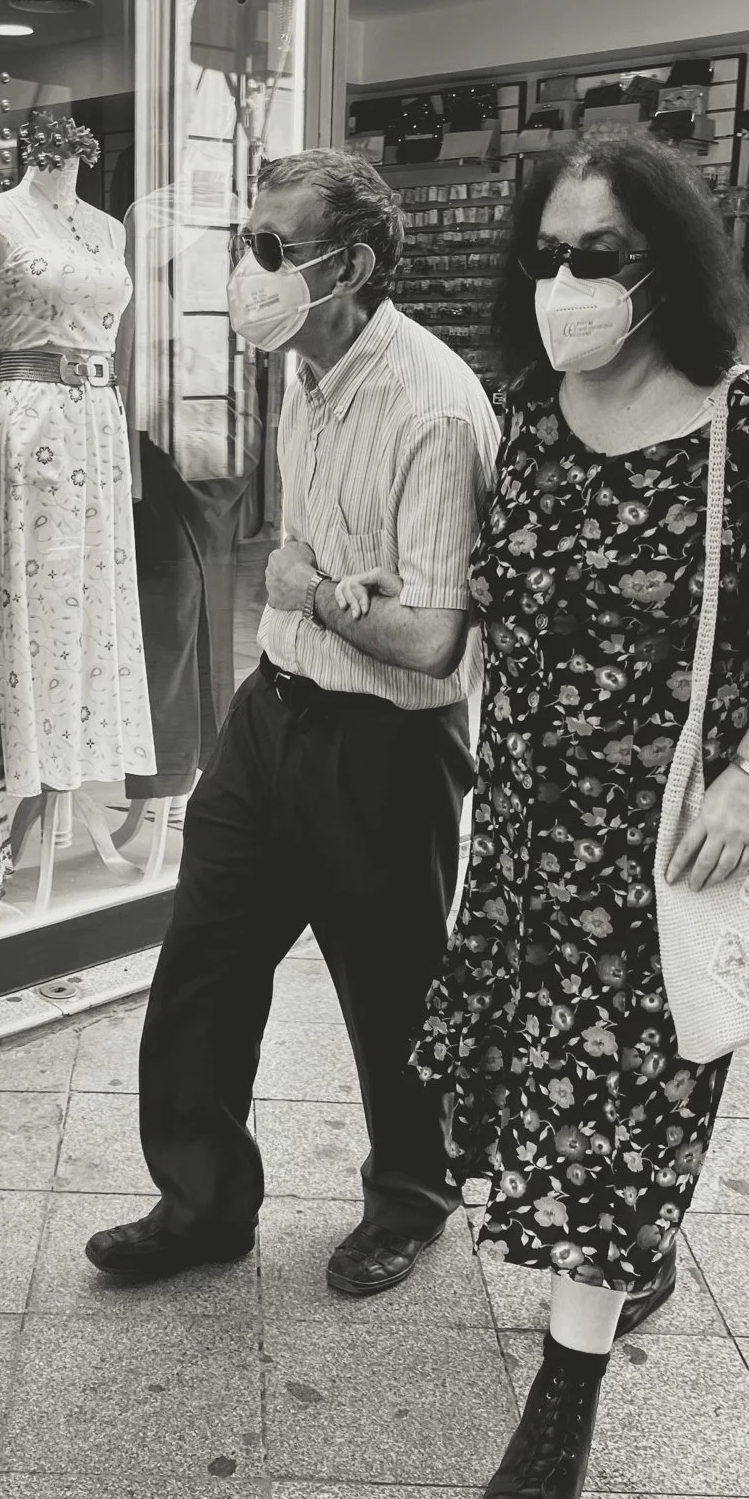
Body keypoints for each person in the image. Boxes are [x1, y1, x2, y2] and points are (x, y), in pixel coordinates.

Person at [355, 134, 749, 1499]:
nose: (565, 281)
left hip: (662, 860)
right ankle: (627, 1254)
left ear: (666, 270)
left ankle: (559, 1410)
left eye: (601, 256)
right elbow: (487, 626)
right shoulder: (527, 419)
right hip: (521, 842)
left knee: (615, 1118)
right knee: (520, 1100)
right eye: (549, 253)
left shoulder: (748, 430)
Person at [86, 149, 499, 1295]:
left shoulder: (431, 408)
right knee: (202, 970)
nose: (246, 267)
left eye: (272, 247)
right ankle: (203, 1203)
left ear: (351, 264)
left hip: (385, 744)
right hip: (271, 714)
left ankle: (413, 1197)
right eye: (246, 241)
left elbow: (429, 636)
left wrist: (312, 590)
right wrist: (315, 591)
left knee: (393, 991)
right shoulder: (306, 371)